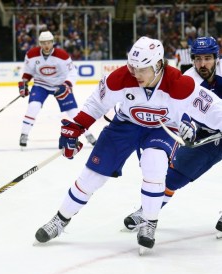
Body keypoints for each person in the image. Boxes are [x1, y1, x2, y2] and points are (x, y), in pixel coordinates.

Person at [33, 36, 222, 253]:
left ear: (159, 64)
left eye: (142, 69)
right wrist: (77, 126)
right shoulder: (121, 77)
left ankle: (149, 223)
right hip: (125, 125)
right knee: (92, 176)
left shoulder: (180, 83)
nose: (136, 74)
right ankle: (60, 220)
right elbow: (96, 102)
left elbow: (214, 110)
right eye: (133, 67)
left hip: (162, 128)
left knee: (155, 166)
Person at [124, 36, 222, 238]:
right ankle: (147, 210)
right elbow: (179, 110)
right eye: (198, 59)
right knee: (174, 177)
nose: (202, 64)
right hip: (205, 136)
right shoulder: (189, 79)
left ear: (216, 58)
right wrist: (188, 125)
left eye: (207, 58)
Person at [18, 30, 96, 147]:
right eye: (43, 43)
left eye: (48, 42)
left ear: (52, 42)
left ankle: (88, 134)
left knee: (73, 112)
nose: (46, 45)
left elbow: (72, 72)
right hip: (41, 84)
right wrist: (24, 83)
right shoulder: (31, 54)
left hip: (60, 86)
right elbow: (28, 72)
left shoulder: (62, 55)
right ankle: (24, 134)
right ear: (40, 43)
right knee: (33, 106)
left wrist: (66, 85)